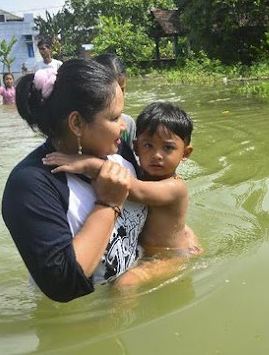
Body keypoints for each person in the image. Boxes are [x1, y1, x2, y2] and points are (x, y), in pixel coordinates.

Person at [1, 59, 148, 302]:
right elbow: (63, 285)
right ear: (77, 124)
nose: (123, 127)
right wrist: (108, 204)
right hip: (83, 322)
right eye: (114, 118)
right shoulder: (30, 185)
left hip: (129, 300)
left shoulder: (116, 152)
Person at [43, 102, 202, 286]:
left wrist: (87, 163)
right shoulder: (140, 172)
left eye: (167, 148)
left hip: (171, 256)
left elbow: (135, 189)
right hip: (147, 252)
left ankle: (122, 316)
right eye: (148, 145)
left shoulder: (176, 188)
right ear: (135, 147)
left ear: (186, 153)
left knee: (126, 282)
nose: (157, 155)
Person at [93, 54, 136, 149]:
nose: (118, 96)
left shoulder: (128, 124)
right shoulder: (88, 126)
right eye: (112, 92)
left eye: (122, 89)